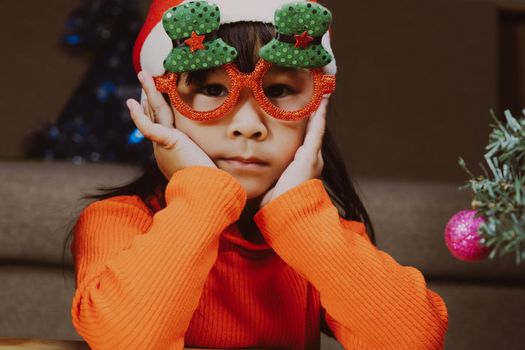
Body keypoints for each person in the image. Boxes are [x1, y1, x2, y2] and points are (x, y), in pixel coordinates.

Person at [69, 0, 449, 349]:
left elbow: (415, 341)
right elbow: (124, 340)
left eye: (280, 89)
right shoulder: (118, 223)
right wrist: (201, 195)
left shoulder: (314, 231)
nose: (248, 126)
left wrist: (298, 217)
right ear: (159, 106)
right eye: (213, 88)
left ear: (315, 110)